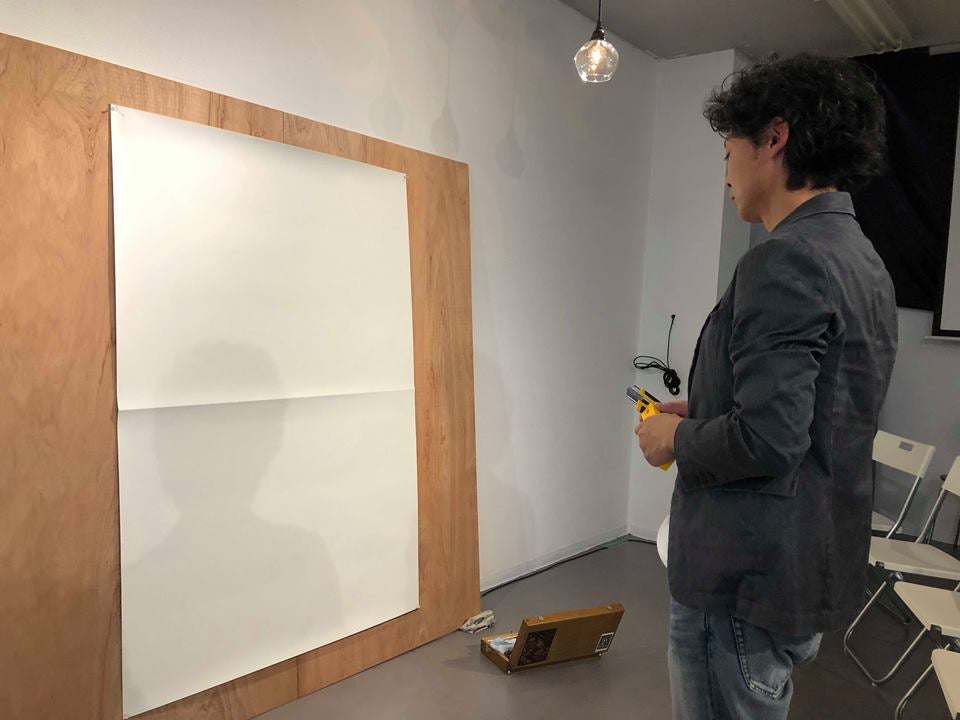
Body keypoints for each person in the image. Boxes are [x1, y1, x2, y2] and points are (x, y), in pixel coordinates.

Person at [634, 54, 898, 720]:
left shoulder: (785, 260)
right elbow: (818, 411)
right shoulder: (862, 259)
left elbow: (769, 438)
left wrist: (674, 437)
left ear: (773, 139)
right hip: (801, 564)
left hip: (742, 576)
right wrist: (704, 409)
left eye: (729, 152)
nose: (726, 175)